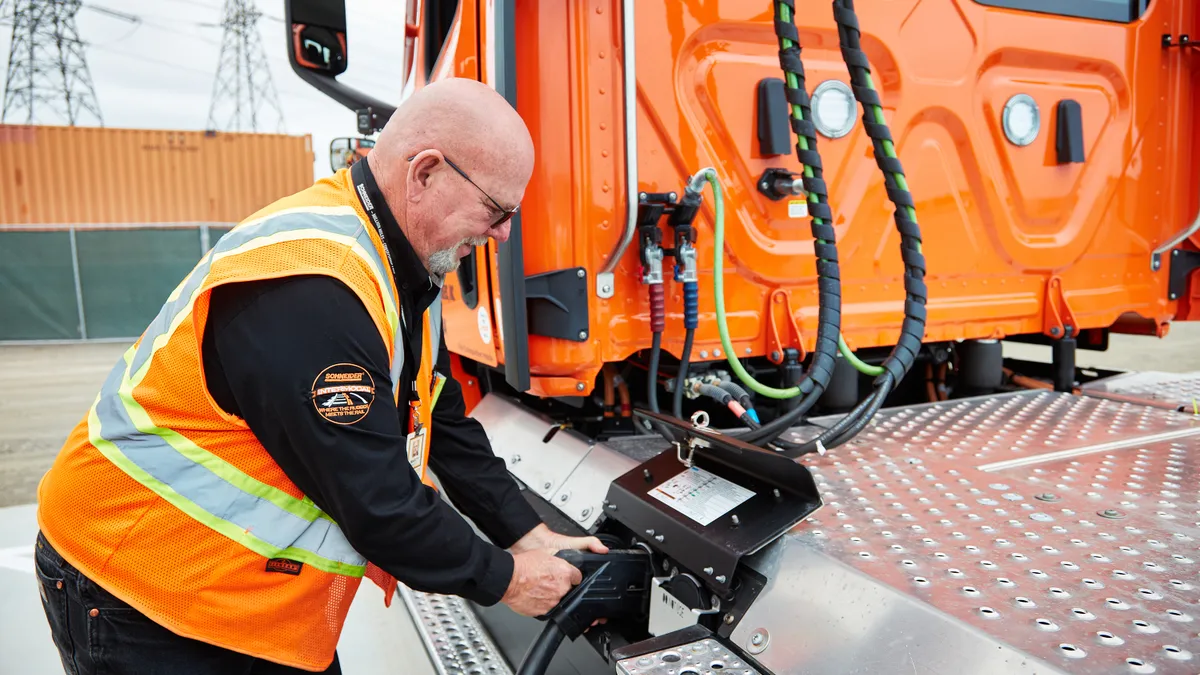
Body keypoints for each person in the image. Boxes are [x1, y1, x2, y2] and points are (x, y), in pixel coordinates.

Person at [32, 77, 603, 675]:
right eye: (496, 209)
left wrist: (526, 532)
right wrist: (507, 581)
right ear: (425, 172)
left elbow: (438, 415)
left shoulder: (399, 265)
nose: (503, 233)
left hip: (237, 594)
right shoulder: (313, 290)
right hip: (140, 584)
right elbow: (378, 503)